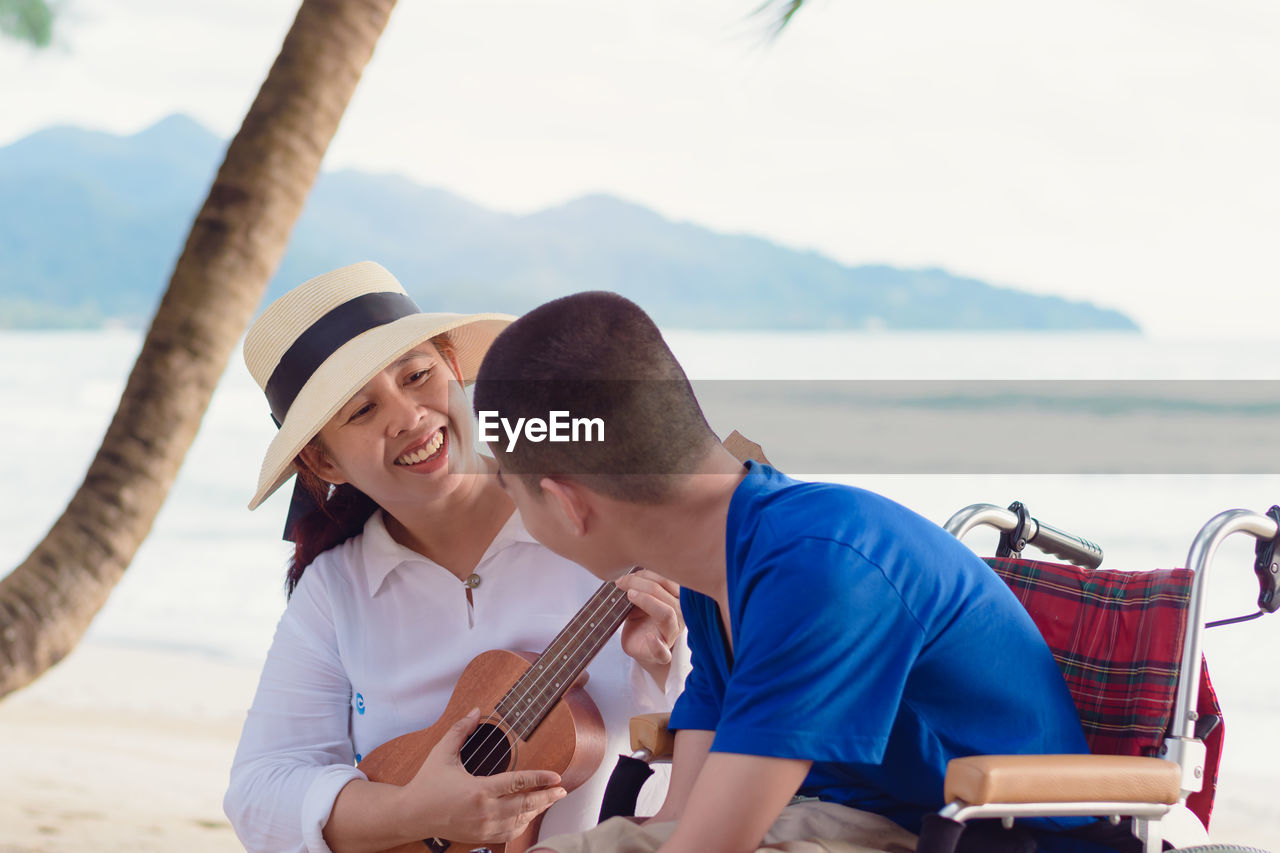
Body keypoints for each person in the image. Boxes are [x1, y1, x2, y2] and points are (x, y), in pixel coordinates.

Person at [470, 291, 1126, 853]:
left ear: (566, 500)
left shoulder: (821, 567)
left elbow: (710, 846)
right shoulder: (713, 561)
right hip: (840, 821)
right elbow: (679, 822)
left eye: (512, 486)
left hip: (973, 835)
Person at [223, 264, 689, 853]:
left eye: (417, 375)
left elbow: (709, 744)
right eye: (361, 412)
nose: (408, 415)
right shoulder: (335, 590)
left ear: (456, 368)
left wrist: (662, 667)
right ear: (324, 464)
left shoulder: (605, 512)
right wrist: (411, 812)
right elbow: (260, 792)